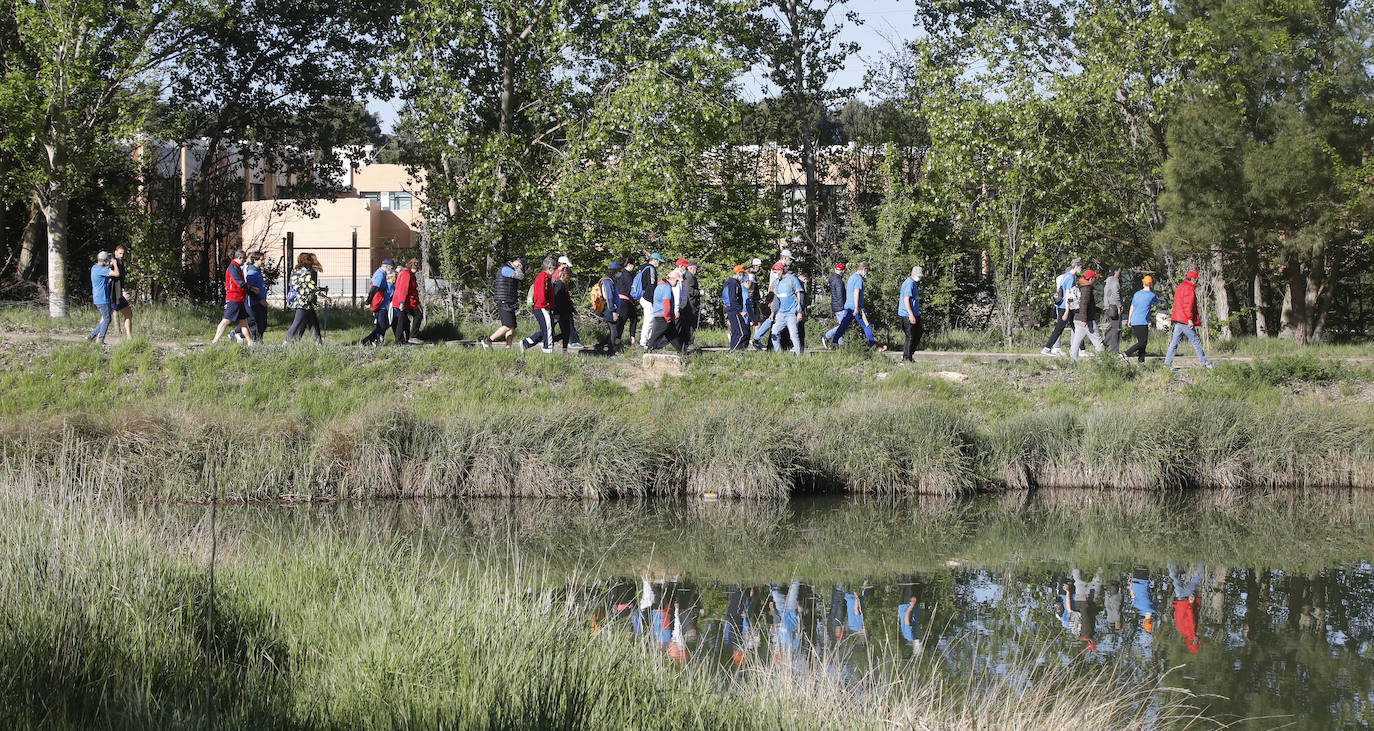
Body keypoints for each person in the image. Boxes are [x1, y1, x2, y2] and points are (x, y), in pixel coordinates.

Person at [823, 261, 881, 350]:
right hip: (856, 307)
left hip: (848, 307)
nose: (867, 273)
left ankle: (834, 342)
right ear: (864, 269)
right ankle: (873, 345)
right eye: (867, 271)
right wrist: (857, 307)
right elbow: (856, 292)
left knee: (843, 326)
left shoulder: (851, 277)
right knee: (867, 325)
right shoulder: (858, 278)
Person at [1164, 270, 1213, 370]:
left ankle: (1166, 364)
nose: (1197, 281)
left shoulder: (1180, 287)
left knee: (1174, 342)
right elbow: (1188, 305)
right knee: (1196, 341)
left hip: (1178, 318)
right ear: (1192, 278)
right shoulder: (1189, 288)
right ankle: (1206, 364)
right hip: (1185, 319)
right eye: (1196, 279)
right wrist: (1189, 319)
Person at [211, 249, 256, 344]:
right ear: (239, 258)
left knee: (244, 322)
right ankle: (215, 341)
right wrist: (252, 288)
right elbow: (240, 283)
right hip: (234, 298)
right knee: (226, 321)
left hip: (239, 299)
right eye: (243, 259)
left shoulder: (236, 268)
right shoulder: (233, 268)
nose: (244, 262)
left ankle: (251, 342)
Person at [284, 252, 329, 343]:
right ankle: (285, 343)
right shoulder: (306, 273)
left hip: (300, 301)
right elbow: (311, 286)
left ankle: (318, 343)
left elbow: (303, 285)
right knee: (297, 324)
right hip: (303, 302)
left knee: (313, 323)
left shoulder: (295, 271)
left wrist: (321, 289)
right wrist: (323, 295)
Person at [481, 257, 524, 349]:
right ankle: (488, 340)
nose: (520, 267)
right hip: (504, 300)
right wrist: (518, 268)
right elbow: (520, 276)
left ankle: (508, 348)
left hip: (508, 300)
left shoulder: (509, 269)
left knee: (512, 326)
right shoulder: (505, 269)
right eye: (520, 265)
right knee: (508, 325)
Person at [1041, 261, 1082, 355]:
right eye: (1080, 267)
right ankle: (1047, 348)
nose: (1081, 269)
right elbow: (1068, 294)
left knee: (1075, 326)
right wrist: (1067, 311)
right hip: (1066, 307)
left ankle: (1081, 349)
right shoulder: (1071, 278)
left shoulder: (1065, 276)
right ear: (1076, 267)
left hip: (1063, 306)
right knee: (1059, 328)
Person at [519, 258, 557, 353]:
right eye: (553, 268)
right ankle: (548, 348)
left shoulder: (547, 277)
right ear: (550, 268)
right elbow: (540, 294)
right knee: (548, 328)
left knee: (548, 327)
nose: (554, 270)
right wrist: (546, 306)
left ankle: (526, 343)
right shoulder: (543, 277)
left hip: (544, 306)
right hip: (541, 307)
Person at [1069, 269, 1106, 363]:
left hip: (1077, 318)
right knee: (1098, 342)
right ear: (1090, 279)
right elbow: (1084, 304)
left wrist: (1099, 310)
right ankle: (1102, 362)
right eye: (1095, 278)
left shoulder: (1082, 287)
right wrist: (1084, 319)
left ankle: (1072, 362)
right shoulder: (1087, 289)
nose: (1096, 280)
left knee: (1076, 343)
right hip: (1086, 320)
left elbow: (1088, 305)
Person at [1168, 564, 1206, 654]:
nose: (1198, 641)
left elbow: (1191, 616)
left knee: (1196, 579)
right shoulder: (1181, 630)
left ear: (1193, 641)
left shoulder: (1192, 631)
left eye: (1196, 642)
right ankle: (1169, 561)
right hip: (1179, 600)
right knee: (1175, 579)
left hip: (1187, 600)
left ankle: (1204, 561)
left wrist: (1191, 603)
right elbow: (1176, 615)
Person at [769, 262, 804, 356]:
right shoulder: (777, 282)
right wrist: (773, 312)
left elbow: (800, 295)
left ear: (781, 270)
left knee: (794, 336)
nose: (775, 274)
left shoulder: (792, 279)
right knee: (774, 332)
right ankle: (778, 354)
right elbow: (776, 298)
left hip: (792, 313)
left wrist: (800, 312)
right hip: (781, 313)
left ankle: (799, 356)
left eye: (776, 272)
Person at [646, 269, 683, 353]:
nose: (677, 283)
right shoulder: (666, 288)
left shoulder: (660, 286)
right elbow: (666, 304)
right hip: (663, 316)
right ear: (672, 279)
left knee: (673, 336)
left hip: (661, 315)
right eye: (677, 281)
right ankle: (648, 352)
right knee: (656, 336)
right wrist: (668, 318)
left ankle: (682, 352)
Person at [1123, 275, 1157, 363]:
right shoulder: (1152, 295)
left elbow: (1132, 307)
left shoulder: (1137, 294)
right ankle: (1125, 354)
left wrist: (1129, 319)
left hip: (1134, 319)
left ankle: (1141, 361)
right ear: (1151, 284)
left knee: (1142, 342)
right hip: (1142, 321)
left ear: (1143, 283)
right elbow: (1154, 305)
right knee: (1142, 342)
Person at [391, 258, 422, 344]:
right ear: (411, 266)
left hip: (407, 302)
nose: (416, 271)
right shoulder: (406, 274)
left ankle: (400, 340)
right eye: (415, 268)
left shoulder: (409, 274)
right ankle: (412, 336)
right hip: (405, 302)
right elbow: (403, 289)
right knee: (417, 316)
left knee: (403, 321)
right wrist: (401, 302)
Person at [87, 251, 115, 344]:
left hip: (98, 298)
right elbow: (116, 274)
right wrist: (114, 264)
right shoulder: (102, 270)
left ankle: (92, 336)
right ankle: (100, 339)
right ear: (104, 260)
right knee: (107, 319)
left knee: (107, 318)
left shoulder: (94, 268)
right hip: (103, 298)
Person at [361, 270, 396, 345]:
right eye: (395, 277)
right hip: (384, 309)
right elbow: (393, 297)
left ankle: (369, 340)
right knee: (382, 327)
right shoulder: (390, 286)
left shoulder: (383, 285)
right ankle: (372, 340)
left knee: (380, 326)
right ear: (392, 278)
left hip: (378, 308)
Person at [636, 253, 663, 347]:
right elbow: (651, 285)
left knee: (649, 320)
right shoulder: (651, 269)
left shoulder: (643, 268)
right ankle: (644, 342)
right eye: (659, 262)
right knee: (649, 321)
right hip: (648, 298)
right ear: (655, 260)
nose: (660, 264)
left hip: (643, 297)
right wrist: (653, 299)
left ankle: (648, 341)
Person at [108, 245, 133, 339]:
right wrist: (123, 292)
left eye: (123, 253)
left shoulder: (120, 263)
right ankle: (96, 336)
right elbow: (114, 280)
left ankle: (129, 337)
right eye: (120, 253)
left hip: (119, 294)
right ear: (115, 252)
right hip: (113, 294)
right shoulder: (112, 263)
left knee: (128, 313)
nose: (122, 255)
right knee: (107, 317)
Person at [595, 262, 622, 353]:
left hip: (609, 308)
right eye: (618, 270)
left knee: (613, 330)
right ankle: (611, 352)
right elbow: (609, 297)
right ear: (615, 271)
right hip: (608, 309)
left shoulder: (610, 280)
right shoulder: (607, 281)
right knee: (614, 331)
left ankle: (600, 346)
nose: (619, 273)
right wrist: (613, 311)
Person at [243, 251, 269, 342]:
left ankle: (259, 341)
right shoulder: (251, 273)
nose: (263, 262)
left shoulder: (257, 271)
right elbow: (250, 290)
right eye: (261, 260)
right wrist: (259, 300)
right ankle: (255, 342)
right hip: (255, 303)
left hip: (261, 301)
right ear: (255, 260)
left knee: (263, 324)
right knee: (256, 324)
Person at [898, 265, 923, 361]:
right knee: (910, 336)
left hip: (914, 313)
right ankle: (906, 358)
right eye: (918, 275)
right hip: (907, 314)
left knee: (918, 333)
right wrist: (910, 315)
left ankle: (909, 355)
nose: (919, 277)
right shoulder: (909, 283)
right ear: (913, 274)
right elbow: (906, 300)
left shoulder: (913, 283)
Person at [723, 265, 748, 351]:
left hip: (733, 310)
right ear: (739, 273)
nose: (744, 276)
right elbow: (732, 298)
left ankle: (733, 350)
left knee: (736, 333)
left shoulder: (733, 283)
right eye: (743, 274)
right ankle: (734, 351)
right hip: (734, 311)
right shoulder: (733, 283)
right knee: (742, 333)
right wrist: (739, 311)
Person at [550, 265, 575, 353]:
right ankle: (549, 342)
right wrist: (556, 312)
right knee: (564, 331)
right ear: (564, 276)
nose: (570, 278)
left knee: (566, 332)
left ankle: (563, 350)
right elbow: (556, 299)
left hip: (565, 312)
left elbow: (567, 300)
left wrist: (573, 309)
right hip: (560, 312)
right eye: (569, 276)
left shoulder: (564, 285)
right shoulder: (559, 285)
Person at [615, 260, 637, 347]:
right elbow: (630, 288)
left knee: (632, 318)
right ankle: (617, 341)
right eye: (633, 265)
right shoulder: (627, 275)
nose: (634, 267)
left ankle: (630, 339)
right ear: (628, 265)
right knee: (623, 321)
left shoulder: (620, 274)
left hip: (621, 299)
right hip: (626, 300)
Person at [1129, 567, 1158, 634]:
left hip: (1145, 579)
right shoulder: (1136, 606)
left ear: (1153, 621)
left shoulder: (1154, 608)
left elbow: (1155, 598)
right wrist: (1130, 583)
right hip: (1135, 580)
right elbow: (1132, 593)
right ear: (1144, 622)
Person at [680, 261, 702, 350]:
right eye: (696, 268)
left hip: (691, 303)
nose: (697, 270)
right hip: (690, 303)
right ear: (691, 268)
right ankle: (689, 343)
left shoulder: (689, 276)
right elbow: (689, 291)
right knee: (690, 324)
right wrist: (699, 292)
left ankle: (688, 343)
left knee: (690, 323)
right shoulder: (689, 277)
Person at [1103, 265, 1123, 353]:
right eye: (1119, 271)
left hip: (1108, 306)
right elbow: (1115, 293)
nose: (1120, 273)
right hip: (1114, 306)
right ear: (1115, 271)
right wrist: (1119, 306)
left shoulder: (1107, 281)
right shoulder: (1114, 281)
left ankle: (1104, 344)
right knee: (1117, 329)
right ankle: (1114, 350)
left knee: (1115, 327)